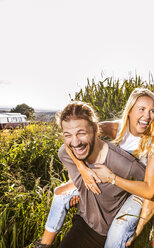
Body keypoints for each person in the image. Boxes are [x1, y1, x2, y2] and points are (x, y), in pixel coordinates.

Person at [37, 88, 154, 247]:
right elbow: (75, 136)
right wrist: (82, 169)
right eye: (142, 109)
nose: (147, 115)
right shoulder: (117, 128)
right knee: (60, 194)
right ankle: (43, 245)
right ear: (130, 111)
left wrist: (112, 178)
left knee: (118, 231)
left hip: (135, 188)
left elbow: (151, 190)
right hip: (107, 179)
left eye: (152, 111)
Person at [54, 101, 146, 247]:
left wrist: (139, 224)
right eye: (68, 135)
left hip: (113, 234)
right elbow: (68, 149)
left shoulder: (123, 163)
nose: (75, 142)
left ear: (96, 129)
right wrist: (79, 179)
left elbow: (151, 189)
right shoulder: (66, 154)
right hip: (84, 226)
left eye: (81, 133)